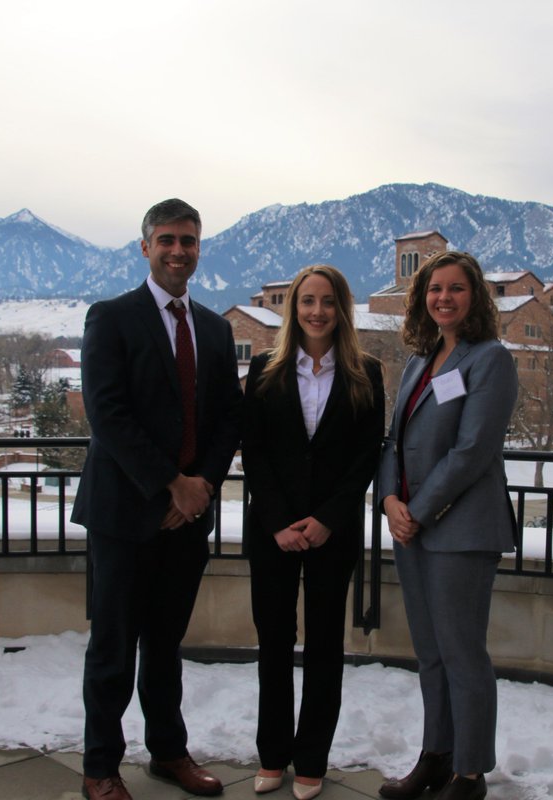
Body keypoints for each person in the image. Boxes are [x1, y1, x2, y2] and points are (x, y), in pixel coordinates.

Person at [71, 198, 243, 800]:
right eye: (166, 240)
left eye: (187, 240)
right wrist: (173, 483)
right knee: (113, 649)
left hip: (186, 519)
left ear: (199, 249)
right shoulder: (111, 318)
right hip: (124, 515)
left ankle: (168, 752)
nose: (177, 250)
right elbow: (108, 414)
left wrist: (202, 488)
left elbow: (228, 418)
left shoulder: (216, 329)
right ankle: (100, 766)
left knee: (166, 647)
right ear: (145, 247)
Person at [375, 251, 518, 800]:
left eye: (456, 288)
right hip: (413, 528)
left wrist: (418, 510)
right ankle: (436, 757)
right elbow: (394, 439)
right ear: (422, 297)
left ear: (474, 296)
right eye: (435, 288)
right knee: (431, 654)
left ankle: (470, 772)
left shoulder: (490, 359)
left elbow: (472, 450)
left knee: (462, 654)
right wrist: (389, 499)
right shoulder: (421, 359)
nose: (444, 298)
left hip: (461, 532)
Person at [241, 265, 385, 800]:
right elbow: (254, 451)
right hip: (272, 532)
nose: (317, 311)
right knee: (274, 645)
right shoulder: (265, 368)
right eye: (307, 301)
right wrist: (278, 521)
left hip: (332, 532)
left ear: (342, 308)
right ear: (293, 308)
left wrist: (328, 518)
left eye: (327, 301)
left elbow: (366, 455)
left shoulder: (366, 372)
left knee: (325, 647)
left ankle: (311, 760)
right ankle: (272, 754)